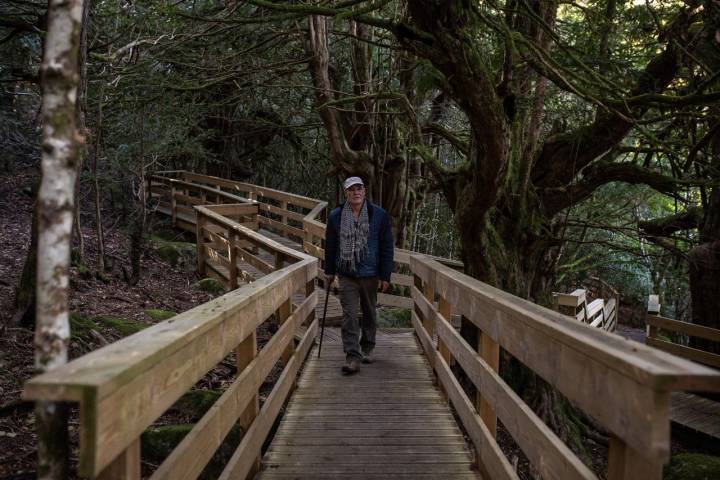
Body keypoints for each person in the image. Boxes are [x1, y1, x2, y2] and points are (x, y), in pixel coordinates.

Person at [324, 176, 394, 375]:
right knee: (349, 315)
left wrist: (385, 275)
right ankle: (352, 357)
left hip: (371, 273)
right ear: (346, 193)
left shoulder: (379, 215)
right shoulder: (336, 216)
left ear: (364, 191)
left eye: (359, 188)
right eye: (351, 189)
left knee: (370, 312)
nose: (356, 192)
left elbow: (387, 246)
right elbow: (330, 246)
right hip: (346, 273)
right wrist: (329, 271)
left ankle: (368, 346)